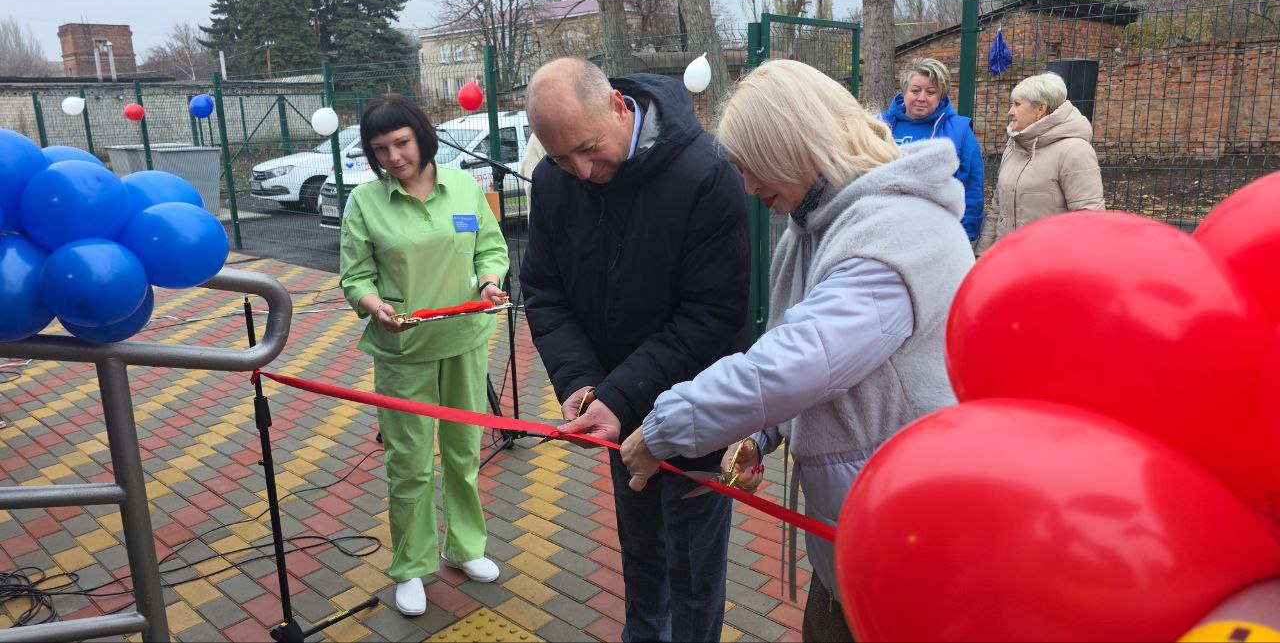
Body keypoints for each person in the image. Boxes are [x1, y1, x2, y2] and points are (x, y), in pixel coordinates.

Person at [618, 60, 975, 641]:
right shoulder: (817, 225)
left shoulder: (897, 231)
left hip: (909, 537)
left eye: (754, 168)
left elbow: (796, 363)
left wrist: (663, 429)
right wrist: (757, 437)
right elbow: (804, 354)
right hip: (856, 529)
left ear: (796, 145)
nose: (750, 188)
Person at [520, 57, 751, 642]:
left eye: (589, 149)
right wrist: (579, 383)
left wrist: (619, 394)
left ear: (620, 108)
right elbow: (544, 293)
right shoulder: (553, 181)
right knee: (642, 555)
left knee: (694, 571)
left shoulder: (706, 175)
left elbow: (712, 317)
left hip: (696, 407)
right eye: (560, 158)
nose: (582, 171)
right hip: (615, 411)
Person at [339, 94, 510, 617]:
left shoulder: (463, 186)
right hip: (403, 351)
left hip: (464, 343)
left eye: (402, 142)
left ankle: (464, 547)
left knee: (463, 453)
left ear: (422, 135)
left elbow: (490, 246)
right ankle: (412, 565)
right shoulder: (366, 202)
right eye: (380, 148)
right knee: (410, 464)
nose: (393, 156)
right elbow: (355, 275)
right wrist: (373, 305)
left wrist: (488, 281)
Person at [975, 71, 1105, 254]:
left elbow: (1089, 220)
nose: (1010, 111)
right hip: (1006, 261)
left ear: (1040, 109)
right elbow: (998, 208)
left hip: (1049, 268)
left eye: (1017, 104)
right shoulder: (1014, 145)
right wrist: (983, 254)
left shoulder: (1074, 151)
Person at [878, 57, 985, 240]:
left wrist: (965, 236)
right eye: (915, 90)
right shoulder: (881, 125)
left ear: (940, 95)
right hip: (884, 230)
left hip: (936, 234)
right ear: (904, 92)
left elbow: (972, 186)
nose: (921, 98)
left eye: (930, 92)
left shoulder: (959, 131)